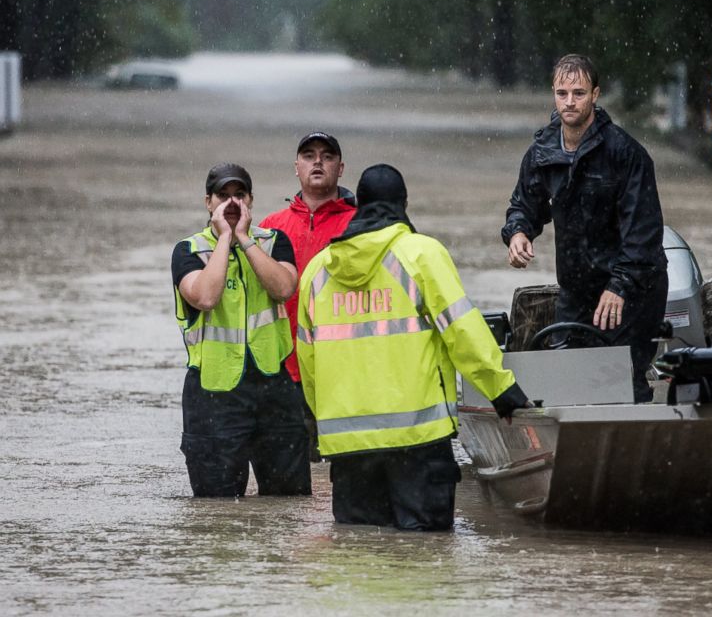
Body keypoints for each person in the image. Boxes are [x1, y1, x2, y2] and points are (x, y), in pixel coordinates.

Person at [297, 164, 530, 530]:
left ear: (358, 206)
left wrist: (325, 421)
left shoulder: (317, 271)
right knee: (426, 557)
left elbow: (308, 364)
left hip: (350, 451)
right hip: (419, 444)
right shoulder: (421, 255)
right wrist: (502, 390)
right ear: (403, 205)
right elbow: (462, 332)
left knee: (358, 561)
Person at [501, 54, 668, 403]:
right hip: (577, 289)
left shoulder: (625, 154)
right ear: (553, 95)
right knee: (571, 382)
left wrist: (619, 287)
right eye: (562, 93)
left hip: (633, 288)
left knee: (621, 385)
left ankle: (632, 443)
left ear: (595, 95)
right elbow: (525, 205)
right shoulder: (542, 151)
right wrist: (518, 232)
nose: (570, 102)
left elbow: (643, 234)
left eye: (578, 93)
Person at [172, 162, 311, 497]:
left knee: (287, 505)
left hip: (273, 390)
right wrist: (224, 238)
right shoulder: (188, 251)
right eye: (223, 196)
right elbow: (205, 296)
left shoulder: (274, 242)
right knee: (216, 513)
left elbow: (283, 288)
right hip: (213, 395)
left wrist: (245, 238)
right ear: (209, 203)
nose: (232, 203)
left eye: (239, 195)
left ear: (251, 201)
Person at [259, 132, 356, 457]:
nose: (318, 161)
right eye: (309, 155)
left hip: (342, 371)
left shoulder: (361, 224)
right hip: (283, 370)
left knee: (338, 470)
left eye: (327, 156)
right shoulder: (270, 228)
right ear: (296, 167)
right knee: (289, 481)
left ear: (340, 168)